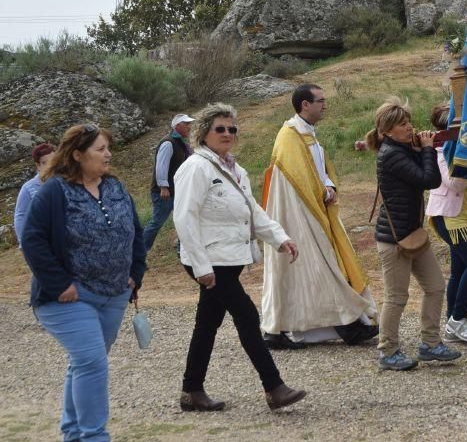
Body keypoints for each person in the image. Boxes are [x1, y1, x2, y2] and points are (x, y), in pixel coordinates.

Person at [173, 103, 305, 412]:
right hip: (209, 259)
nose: (227, 134)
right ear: (204, 133)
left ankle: (191, 390)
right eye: (220, 128)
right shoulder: (196, 167)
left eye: (232, 128)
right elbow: (184, 218)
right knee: (246, 315)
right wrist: (201, 267)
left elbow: (252, 211)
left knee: (207, 322)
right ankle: (274, 387)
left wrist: (279, 237)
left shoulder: (234, 169)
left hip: (229, 259)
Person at [21, 124, 146, 441]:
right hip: (69, 297)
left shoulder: (115, 186)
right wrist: (60, 284)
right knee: (91, 362)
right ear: (77, 154)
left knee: (85, 363)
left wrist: (135, 275)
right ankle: (93, 436)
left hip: (115, 294)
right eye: (100, 149)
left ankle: (73, 433)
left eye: (108, 148)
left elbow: (135, 233)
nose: (108, 154)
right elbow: (33, 240)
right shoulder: (54, 191)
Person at [260, 83, 378, 350]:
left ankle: (348, 325)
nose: (325, 105)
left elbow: (318, 168)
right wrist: (322, 191)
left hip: (313, 211)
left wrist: (330, 187)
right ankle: (286, 328)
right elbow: (300, 177)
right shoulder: (289, 135)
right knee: (311, 268)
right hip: (296, 216)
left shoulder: (307, 133)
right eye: (321, 100)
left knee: (326, 266)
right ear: (305, 104)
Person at [366, 97, 461, 370]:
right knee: (397, 297)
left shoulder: (403, 149)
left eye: (408, 122)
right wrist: (429, 149)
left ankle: (430, 344)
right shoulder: (391, 154)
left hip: (413, 233)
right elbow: (429, 180)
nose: (410, 128)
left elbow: (421, 171)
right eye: (402, 125)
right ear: (386, 131)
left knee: (435, 286)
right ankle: (387, 351)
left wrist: (421, 148)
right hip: (394, 240)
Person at [425, 102, 467, 344]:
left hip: (462, 216)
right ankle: (457, 319)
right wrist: (466, 157)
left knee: (460, 271)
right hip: (449, 217)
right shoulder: (441, 151)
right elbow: (455, 184)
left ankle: (453, 322)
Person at [142, 113, 194, 252]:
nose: (189, 126)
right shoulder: (168, 142)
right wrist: (163, 187)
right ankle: (138, 254)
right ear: (177, 125)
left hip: (176, 191)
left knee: (182, 220)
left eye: (189, 123)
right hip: (165, 192)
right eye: (186, 124)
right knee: (157, 223)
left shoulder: (181, 143)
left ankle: (181, 251)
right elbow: (161, 166)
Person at [13, 142, 55, 245]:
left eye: (54, 161)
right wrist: (24, 244)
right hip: (43, 243)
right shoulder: (28, 188)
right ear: (38, 165)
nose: (51, 166)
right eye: (45, 162)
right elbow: (20, 217)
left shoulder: (66, 181)